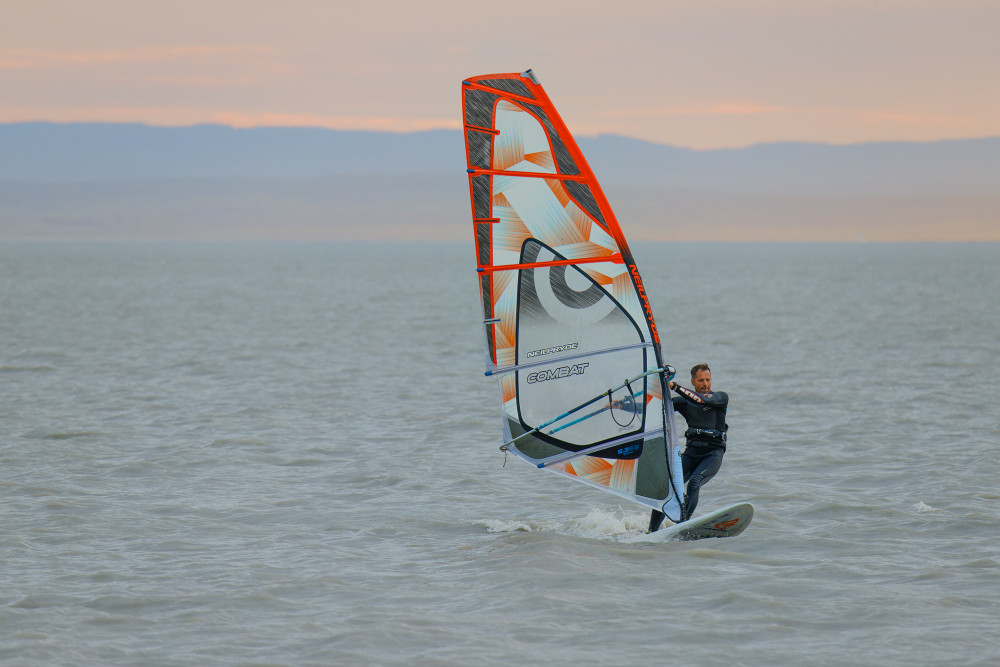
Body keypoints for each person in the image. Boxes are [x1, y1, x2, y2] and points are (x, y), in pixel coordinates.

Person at [648, 363, 729, 533]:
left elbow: (701, 400)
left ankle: (683, 525)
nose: (705, 384)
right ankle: (651, 531)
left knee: (694, 483)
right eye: (701, 380)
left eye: (708, 379)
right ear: (693, 381)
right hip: (692, 453)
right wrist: (622, 405)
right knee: (668, 488)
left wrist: (674, 386)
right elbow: (655, 409)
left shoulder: (720, 398)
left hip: (712, 454)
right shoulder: (685, 402)